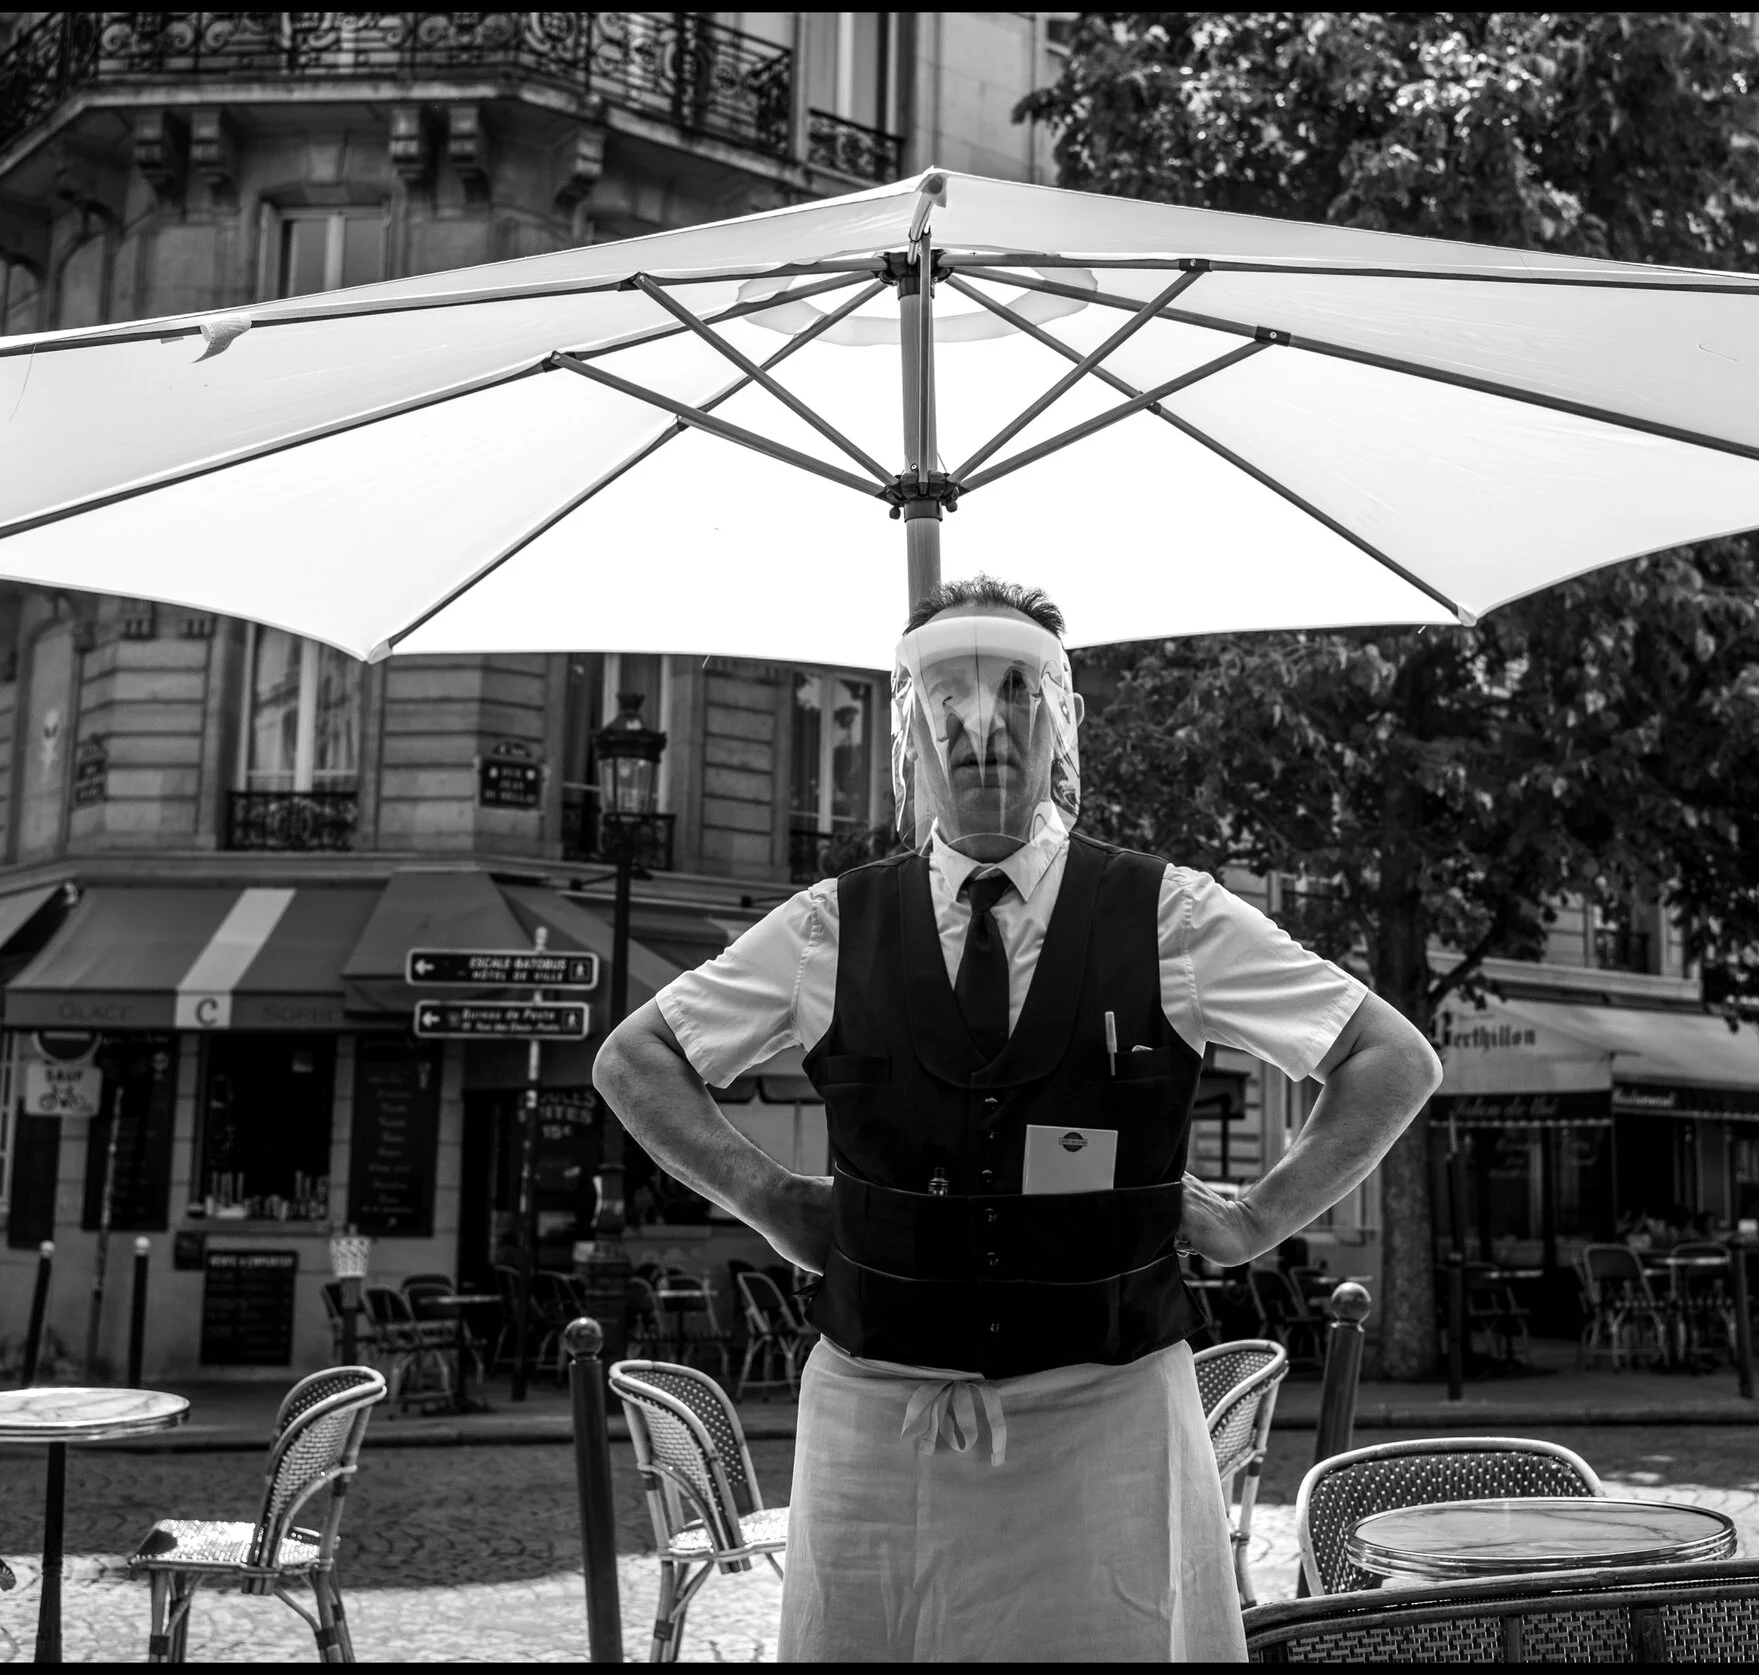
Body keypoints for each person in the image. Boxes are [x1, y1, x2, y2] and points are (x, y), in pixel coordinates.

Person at [597, 577, 1442, 1662]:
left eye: (1013, 696)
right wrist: (767, 1197)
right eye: (946, 697)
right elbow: (638, 1058)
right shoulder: (827, 926)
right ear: (909, 734)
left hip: (1110, 1421)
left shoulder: (1170, 914)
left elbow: (1389, 1058)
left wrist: (1255, 1220)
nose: (979, 728)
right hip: (880, 1428)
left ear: (1060, 727)